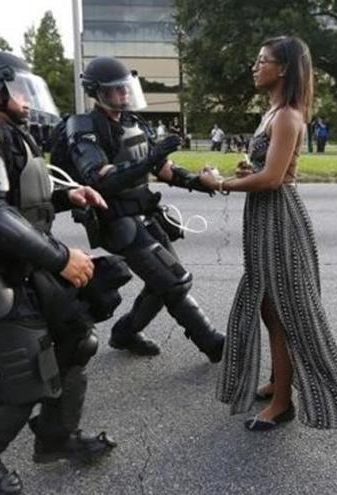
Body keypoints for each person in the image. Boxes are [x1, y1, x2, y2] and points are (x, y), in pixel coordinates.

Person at [0, 50, 117, 495]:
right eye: (20, 90)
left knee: (75, 340)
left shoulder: (2, 129)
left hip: (18, 263)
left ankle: (56, 438)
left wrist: (70, 198)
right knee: (27, 373)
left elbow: (16, 202)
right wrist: (62, 257)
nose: (28, 100)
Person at [199, 36, 337, 431]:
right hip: (264, 217)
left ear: (285, 68)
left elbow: (274, 179)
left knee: (284, 311)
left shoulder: (289, 115)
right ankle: (279, 381)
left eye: (263, 61)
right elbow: (265, 170)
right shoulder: (272, 112)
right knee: (266, 305)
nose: (255, 67)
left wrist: (220, 183)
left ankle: (283, 403)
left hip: (279, 219)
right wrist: (247, 171)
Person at [55, 56, 225, 361]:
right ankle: (212, 343)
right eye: (116, 89)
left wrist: (199, 182)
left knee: (165, 283)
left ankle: (125, 333)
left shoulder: (133, 122)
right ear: (97, 91)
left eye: (125, 88)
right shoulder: (83, 127)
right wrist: (148, 161)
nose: (124, 94)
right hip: (116, 220)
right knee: (174, 283)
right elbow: (98, 178)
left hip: (146, 214)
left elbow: (163, 168)